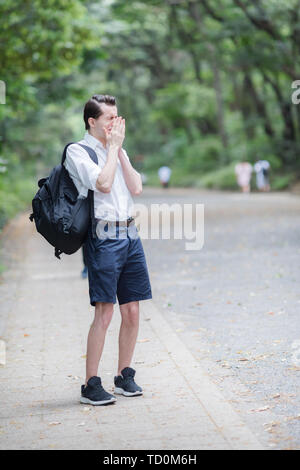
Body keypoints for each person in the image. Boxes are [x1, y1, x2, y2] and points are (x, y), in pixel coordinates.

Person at [64, 94, 152, 406]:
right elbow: (102, 183)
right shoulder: (79, 151)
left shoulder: (117, 148)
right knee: (105, 311)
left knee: (132, 308)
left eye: (117, 118)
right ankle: (90, 384)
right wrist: (112, 149)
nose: (114, 124)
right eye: (108, 119)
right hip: (103, 237)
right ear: (92, 121)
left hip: (130, 233)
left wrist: (119, 150)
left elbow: (137, 188)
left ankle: (124, 376)